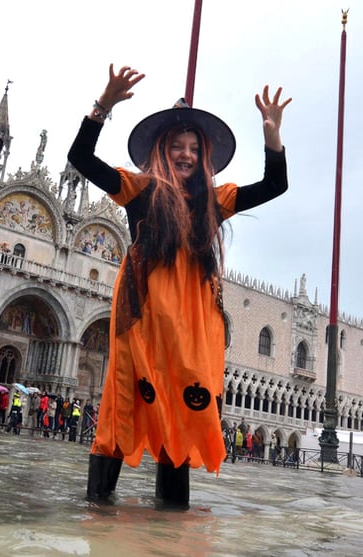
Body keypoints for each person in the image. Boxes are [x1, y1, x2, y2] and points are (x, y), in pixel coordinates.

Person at [68, 64, 290, 505]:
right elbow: (81, 160)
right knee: (125, 400)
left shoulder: (216, 199)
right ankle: (98, 509)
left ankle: (170, 525)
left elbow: (275, 184)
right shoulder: (138, 188)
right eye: (177, 146)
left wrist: (272, 135)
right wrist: (103, 106)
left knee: (183, 408)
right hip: (142, 316)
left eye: (193, 148)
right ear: (161, 150)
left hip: (193, 322)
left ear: (203, 155)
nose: (185, 154)